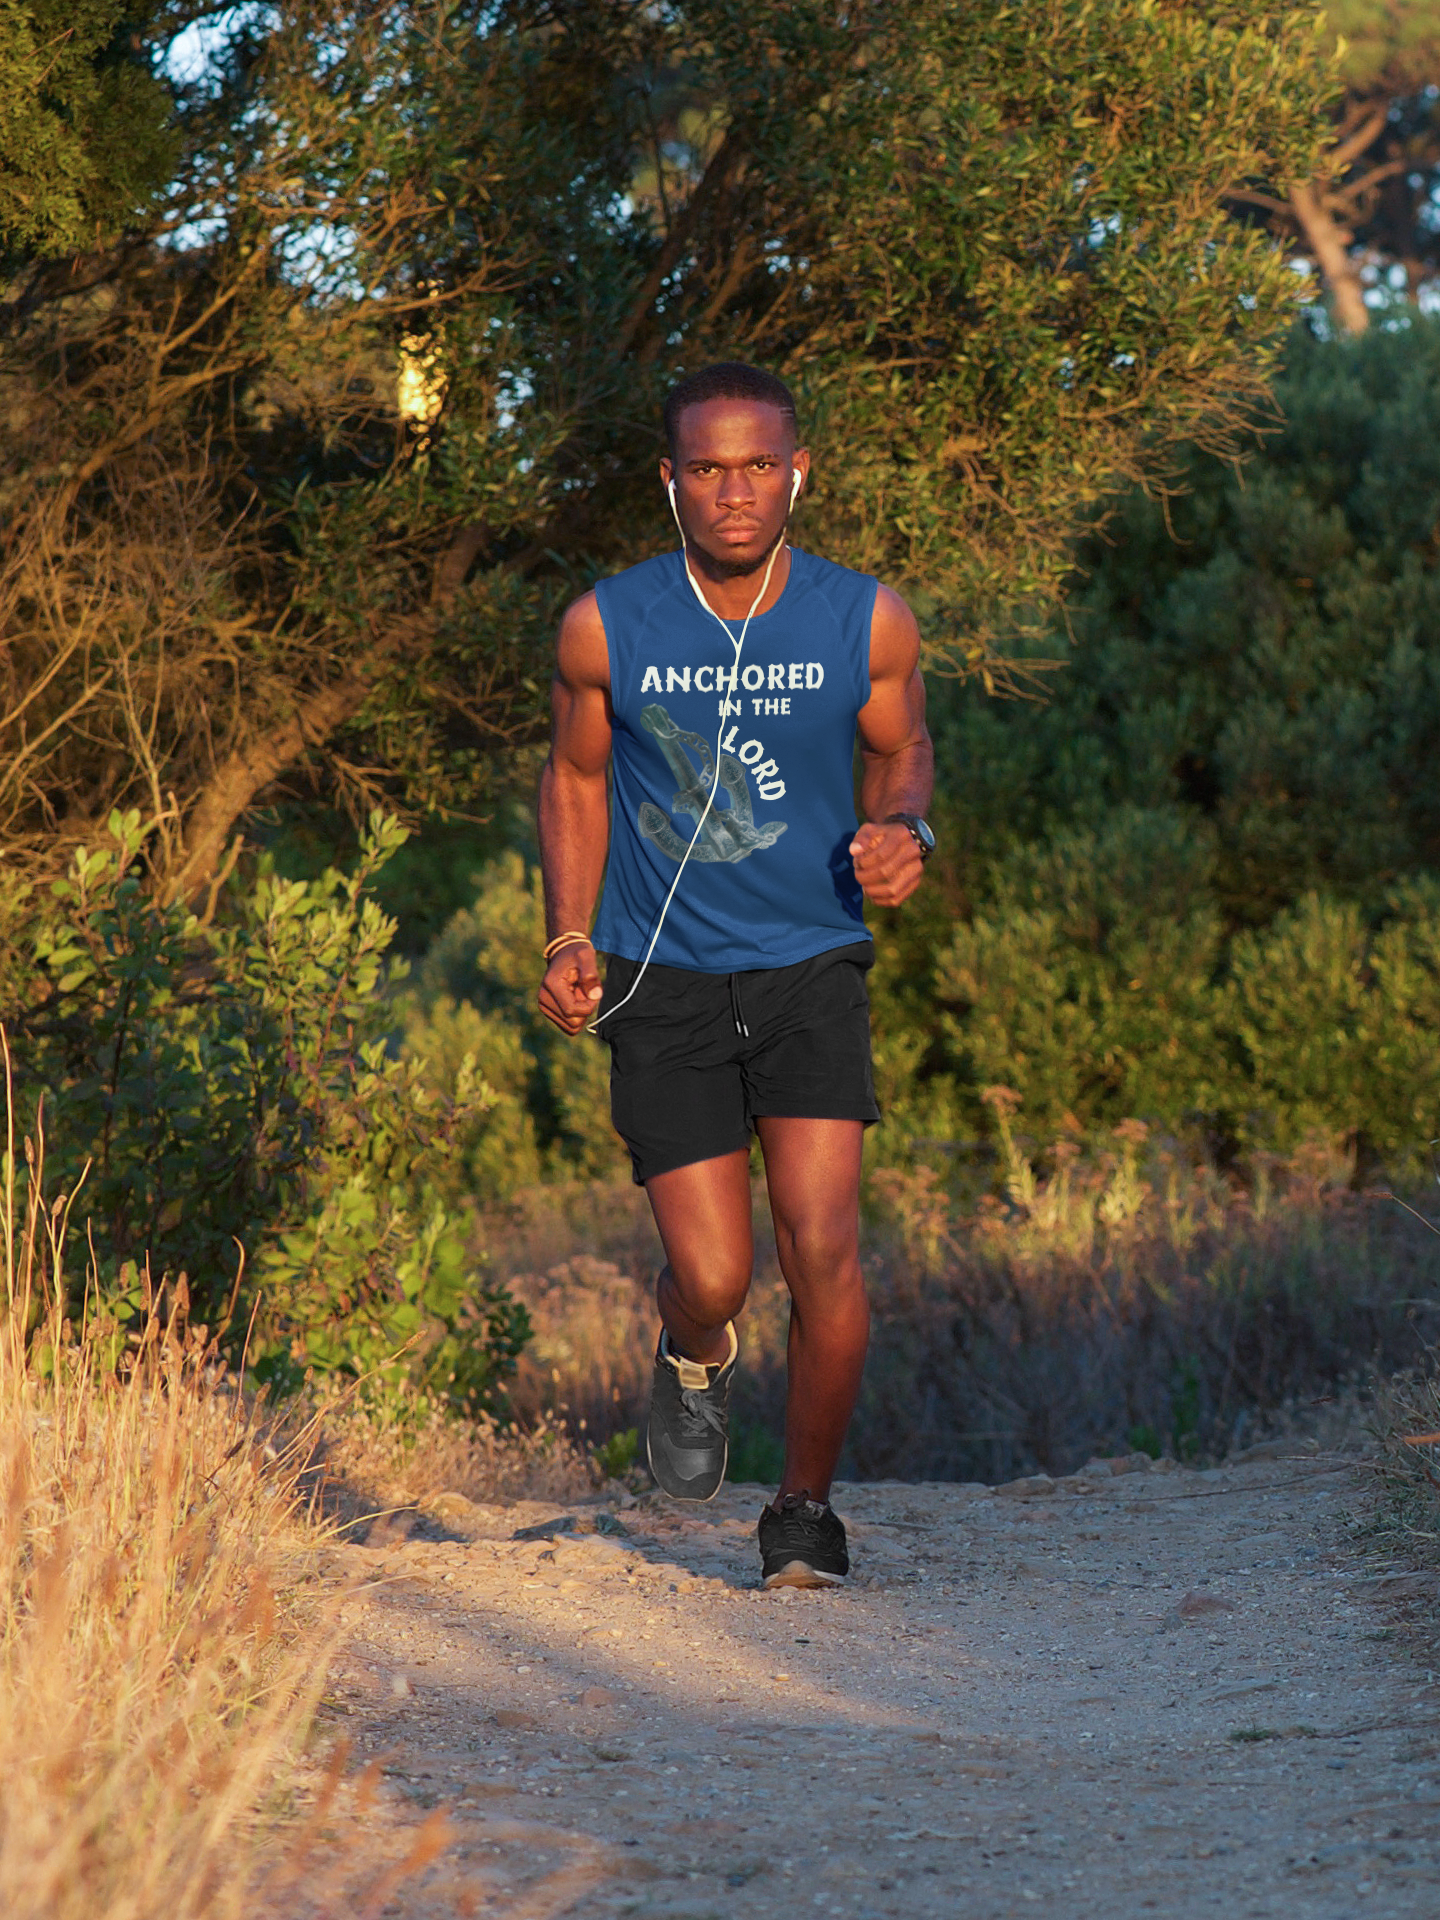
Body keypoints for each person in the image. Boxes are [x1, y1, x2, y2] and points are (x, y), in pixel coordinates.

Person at [536, 361, 933, 1589]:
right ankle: (692, 1350)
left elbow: (904, 748)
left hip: (811, 964)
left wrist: (905, 833)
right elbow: (576, 781)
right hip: (665, 976)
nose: (735, 491)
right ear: (670, 483)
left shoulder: (863, 617)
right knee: (712, 1272)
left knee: (823, 1246)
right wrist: (565, 934)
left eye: (759, 465)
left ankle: (803, 1512)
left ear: (798, 469)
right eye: (706, 469)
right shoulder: (607, 624)